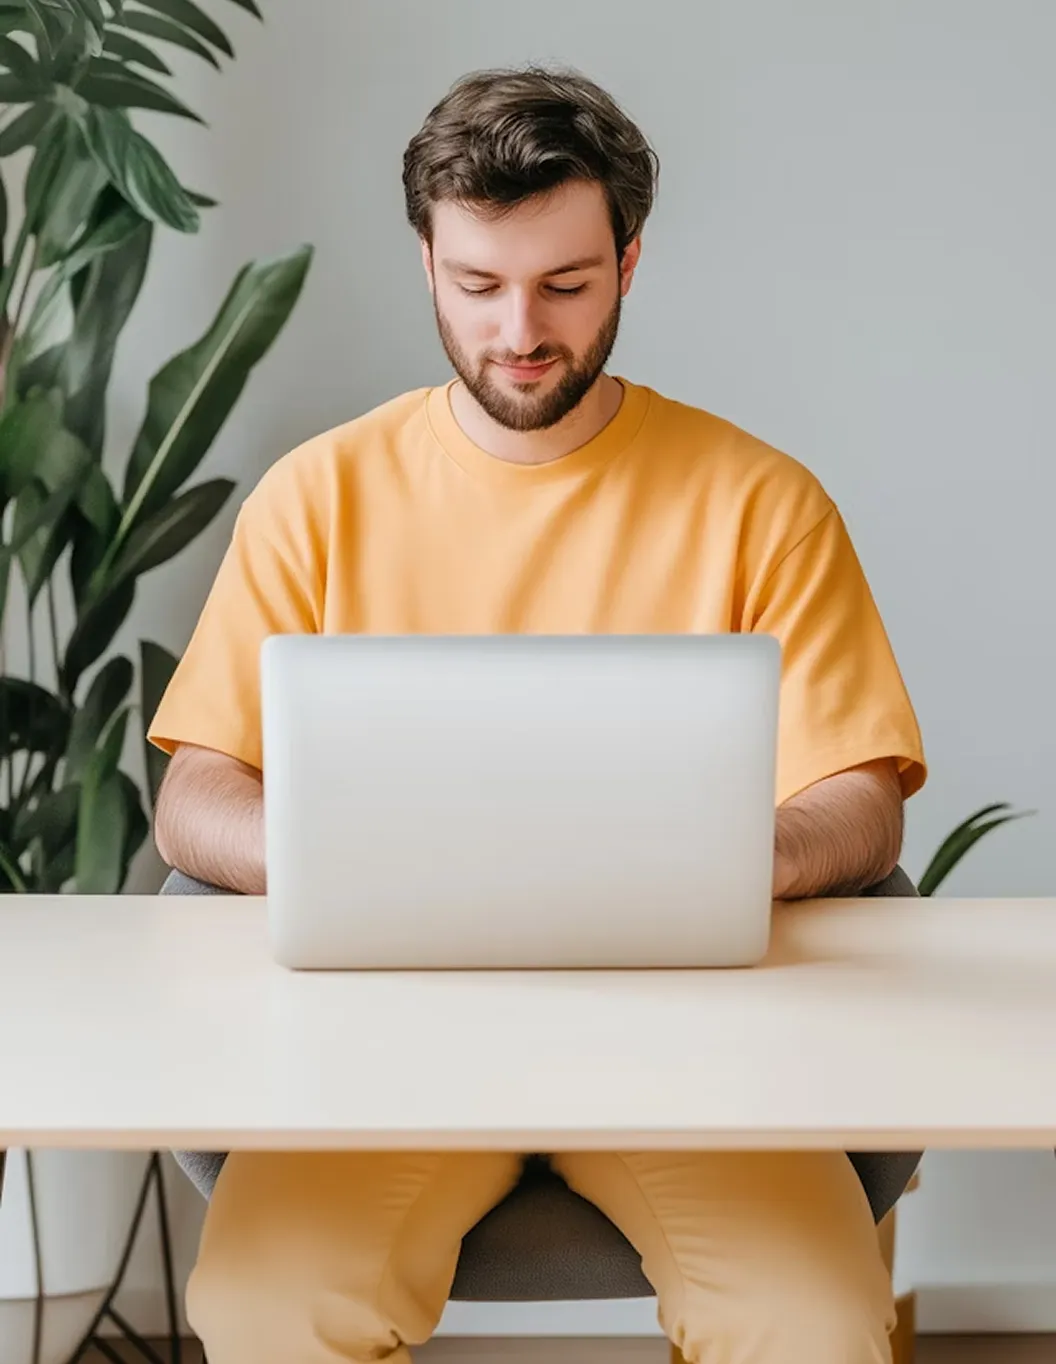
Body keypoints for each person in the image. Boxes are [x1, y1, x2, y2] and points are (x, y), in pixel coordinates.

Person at [148, 65, 926, 1364]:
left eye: (566, 285)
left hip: (696, 1054)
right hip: (382, 1052)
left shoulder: (759, 500)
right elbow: (194, 795)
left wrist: (751, 861)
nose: (521, 328)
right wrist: (348, 870)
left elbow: (865, 793)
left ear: (629, 262)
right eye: (478, 285)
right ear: (426, 262)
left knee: (816, 1320)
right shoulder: (317, 496)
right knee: (263, 1305)